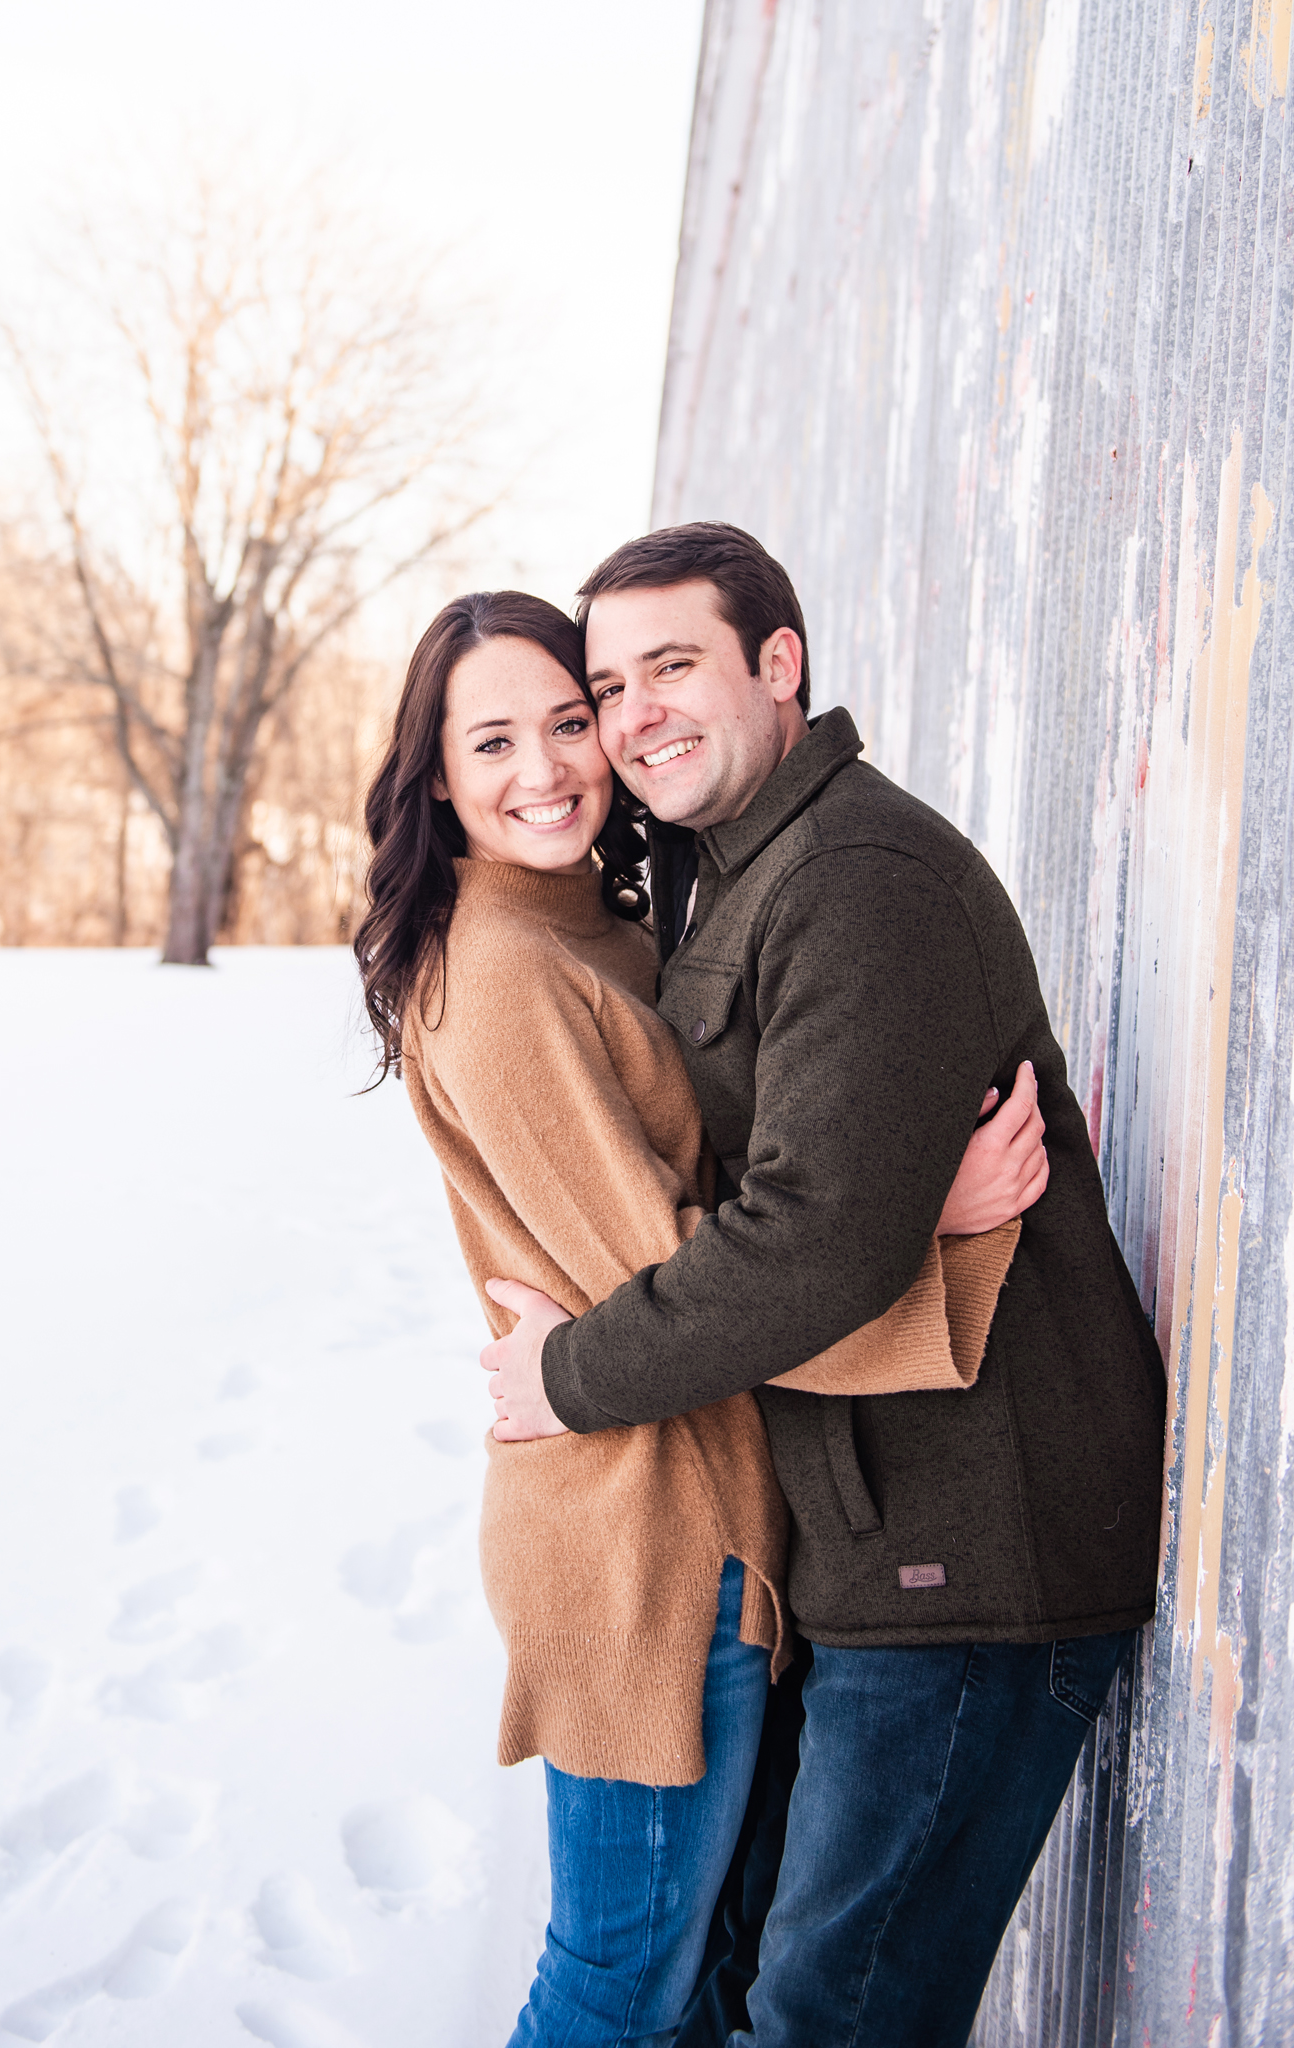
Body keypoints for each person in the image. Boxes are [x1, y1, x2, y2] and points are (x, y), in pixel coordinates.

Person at [478, 525, 1168, 2048]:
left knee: (826, 2013)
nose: (637, 711)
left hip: (972, 1555)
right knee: (754, 1991)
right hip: (867, 1541)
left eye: (675, 665)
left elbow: (806, 1242)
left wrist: (569, 1377)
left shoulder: (853, 880)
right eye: (612, 683)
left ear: (777, 666)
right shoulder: (736, 876)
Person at [352, 587, 1046, 2048]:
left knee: (680, 1985)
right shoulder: (502, 974)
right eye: (494, 741)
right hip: (638, 1544)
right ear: (433, 773)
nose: (545, 768)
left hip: (692, 1505)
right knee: (621, 1985)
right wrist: (932, 1241)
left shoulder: (590, 928)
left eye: (569, 720)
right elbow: (659, 1279)